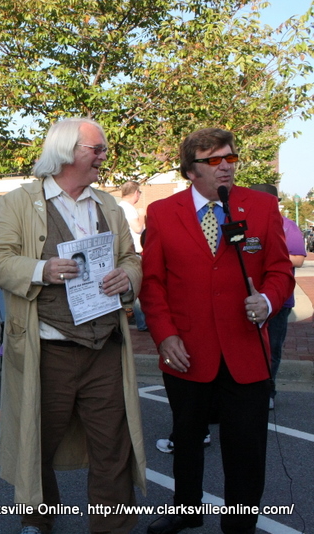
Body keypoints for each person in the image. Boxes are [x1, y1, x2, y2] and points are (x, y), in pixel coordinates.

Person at [0, 117, 145, 534]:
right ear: (67, 151)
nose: (104, 156)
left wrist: (128, 277)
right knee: (36, 443)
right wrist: (42, 270)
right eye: (97, 149)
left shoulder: (108, 205)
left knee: (113, 448)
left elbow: (131, 258)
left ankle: (112, 529)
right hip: (47, 349)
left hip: (105, 347)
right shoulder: (16, 203)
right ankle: (37, 522)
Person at [140, 128, 294, 534]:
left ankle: (239, 525)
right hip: (186, 350)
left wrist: (267, 301)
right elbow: (152, 282)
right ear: (191, 170)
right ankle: (186, 510)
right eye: (213, 160)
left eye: (230, 157)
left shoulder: (261, 205)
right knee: (186, 440)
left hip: (246, 349)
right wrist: (164, 334)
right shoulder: (162, 213)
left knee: (246, 450)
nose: (225, 166)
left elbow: (280, 269)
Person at [249, 183, 306, 410]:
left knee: (271, 349)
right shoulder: (241, 224)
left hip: (278, 302)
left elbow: (298, 259)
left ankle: (267, 392)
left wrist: (270, 254)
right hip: (246, 300)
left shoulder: (288, 226)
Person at [118, 180, 148, 331]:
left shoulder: (119, 207)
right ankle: (142, 322)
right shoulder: (128, 209)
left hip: (127, 251)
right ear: (136, 193)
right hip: (133, 252)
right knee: (137, 285)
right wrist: (142, 215)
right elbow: (137, 228)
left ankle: (141, 321)